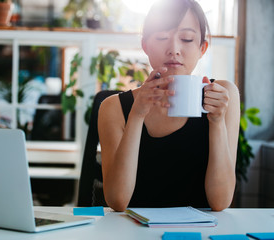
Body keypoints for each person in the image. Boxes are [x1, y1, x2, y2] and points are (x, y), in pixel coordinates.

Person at [98, 0, 240, 212]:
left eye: (186, 38)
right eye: (163, 37)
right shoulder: (114, 107)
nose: (174, 50)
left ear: (202, 48)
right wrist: (137, 115)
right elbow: (118, 201)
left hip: (201, 232)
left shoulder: (222, 96)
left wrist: (217, 122)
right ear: (145, 45)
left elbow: (220, 202)